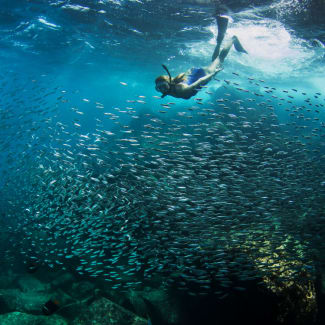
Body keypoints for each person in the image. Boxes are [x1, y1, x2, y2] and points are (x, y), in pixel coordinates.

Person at [155, 16, 247, 99]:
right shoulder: (170, 89)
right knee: (214, 61)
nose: (162, 89)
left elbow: (200, 81)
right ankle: (219, 40)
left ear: (169, 83)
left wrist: (213, 74)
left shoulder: (181, 89)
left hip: (203, 74)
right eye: (159, 88)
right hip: (194, 74)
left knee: (219, 59)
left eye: (163, 86)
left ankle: (233, 39)